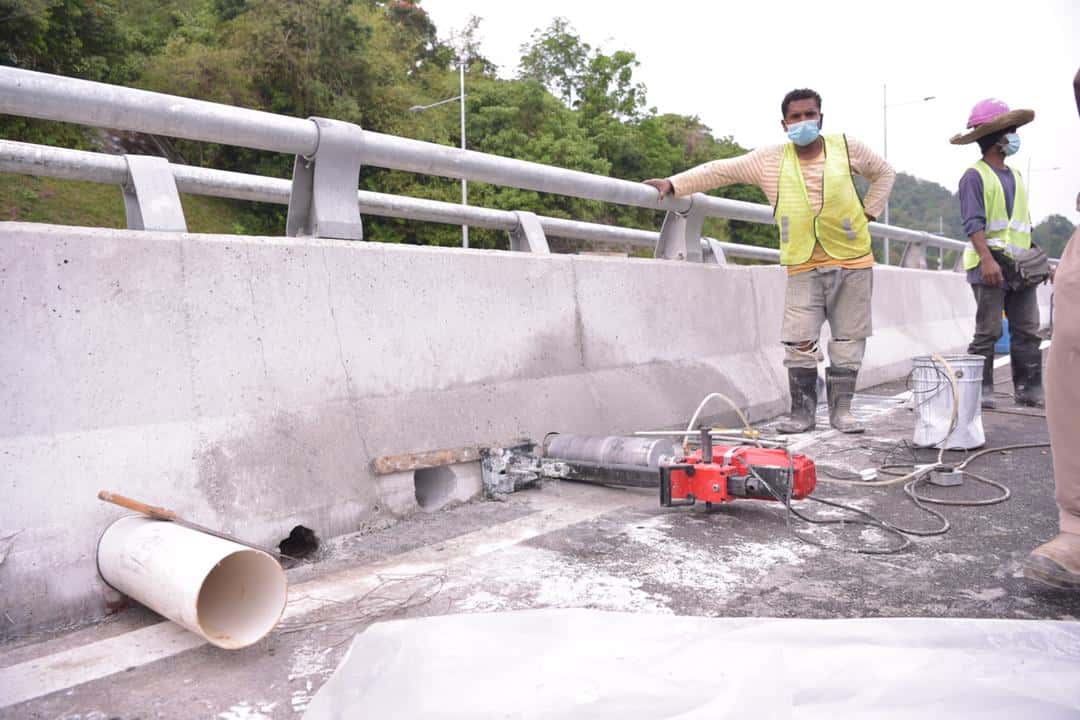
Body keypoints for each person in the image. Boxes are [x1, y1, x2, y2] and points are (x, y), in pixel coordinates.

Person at [644, 89, 895, 434]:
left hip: (852, 260)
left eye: (810, 115)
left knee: (849, 339)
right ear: (784, 123)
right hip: (802, 263)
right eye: (796, 117)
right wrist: (674, 183)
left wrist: (869, 211)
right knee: (798, 340)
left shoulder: (847, 147)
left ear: (821, 117)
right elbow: (721, 171)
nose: (804, 122)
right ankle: (803, 412)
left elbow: (884, 173)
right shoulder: (770, 160)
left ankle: (843, 411)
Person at [1023, 67, 1080, 590]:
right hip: (1000, 265)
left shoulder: (1011, 178)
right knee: (1070, 349)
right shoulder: (977, 175)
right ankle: (1079, 528)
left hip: (1015, 261)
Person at [951, 99, 1044, 409]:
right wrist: (988, 260)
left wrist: (1037, 261)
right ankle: (981, 392)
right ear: (995, 137)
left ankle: (1029, 390)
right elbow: (973, 223)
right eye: (1010, 131)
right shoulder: (975, 176)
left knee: (1028, 330)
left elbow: (1021, 224)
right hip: (988, 264)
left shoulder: (1015, 176)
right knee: (988, 331)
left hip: (1019, 266)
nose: (1014, 137)